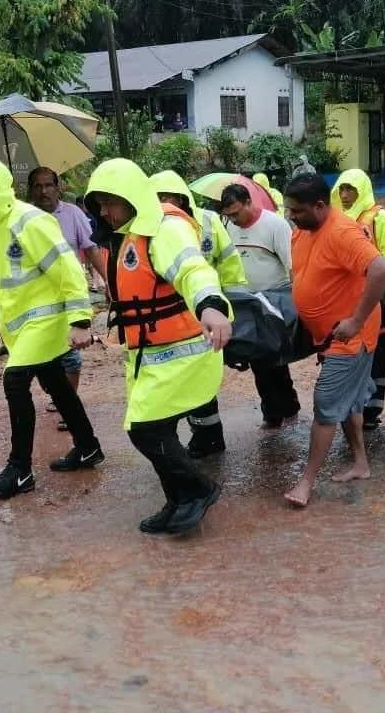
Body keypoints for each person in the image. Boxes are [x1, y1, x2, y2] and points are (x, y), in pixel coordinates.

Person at [85, 158, 232, 535]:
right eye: (99, 204)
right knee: (154, 428)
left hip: (181, 351)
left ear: (132, 197)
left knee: (145, 430)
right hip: (148, 355)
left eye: (110, 202)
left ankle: (199, 490)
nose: (105, 212)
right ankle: (177, 499)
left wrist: (212, 306)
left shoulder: (165, 230)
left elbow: (193, 269)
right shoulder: (125, 235)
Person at [0, 157, 104, 500]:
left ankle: (19, 470)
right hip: (20, 328)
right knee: (54, 381)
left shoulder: (30, 221)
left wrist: (81, 320)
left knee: (15, 379)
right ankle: (88, 447)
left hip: (46, 322)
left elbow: (67, 269)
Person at [283, 173, 385, 506]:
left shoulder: (342, 232)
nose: (291, 216)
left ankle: (306, 483)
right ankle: (360, 463)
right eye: (289, 209)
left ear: (319, 205)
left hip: (350, 340)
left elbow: (382, 269)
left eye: (297, 211)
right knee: (349, 402)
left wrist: (356, 320)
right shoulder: (304, 230)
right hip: (327, 337)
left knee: (327, 405)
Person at [149, 169, 248, 459]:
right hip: (173, 317)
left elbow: (229, 262)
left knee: (201, 378)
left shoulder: (208, 220)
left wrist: (234, 304)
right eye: (158, 198)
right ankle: (201, 436)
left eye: (168, 197)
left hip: (208, 311)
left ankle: (208, 437)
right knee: (183, 378)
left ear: (181, 197)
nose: (164, 203)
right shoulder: (151, 227)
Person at [220, 183, 301, 429]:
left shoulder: (274, 225)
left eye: (236, 213)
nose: (233, 219)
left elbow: (292, 265)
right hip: (245, 304)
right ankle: (276, 409)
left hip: (273, 303)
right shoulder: (227, 227)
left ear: (248, 202)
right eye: (228, 215)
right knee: (257, 359)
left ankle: (282, 408)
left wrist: (296, 301)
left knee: (273, 356)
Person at [27, 167, 107, 415]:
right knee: (39, 357)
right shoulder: (23, 218)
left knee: (70, 356)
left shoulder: (73, 214)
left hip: (68, 298)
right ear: (31, 190)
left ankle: (67, 406)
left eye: (48, 185)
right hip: (34, 300)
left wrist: (109, 281)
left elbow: (92, 250)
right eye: (38, 186)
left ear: (58, 186)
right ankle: (58, 393)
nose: (44, 191)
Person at [331, 168, 385, 428]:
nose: (345, 194)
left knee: (377, 352)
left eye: (350, 189)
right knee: (349, 353)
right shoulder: (336, 219)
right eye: (341, 189)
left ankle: (372, 410)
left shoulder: (381, 219)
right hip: (346, 300)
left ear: (362, 190)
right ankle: (352, 407)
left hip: (377, 298)